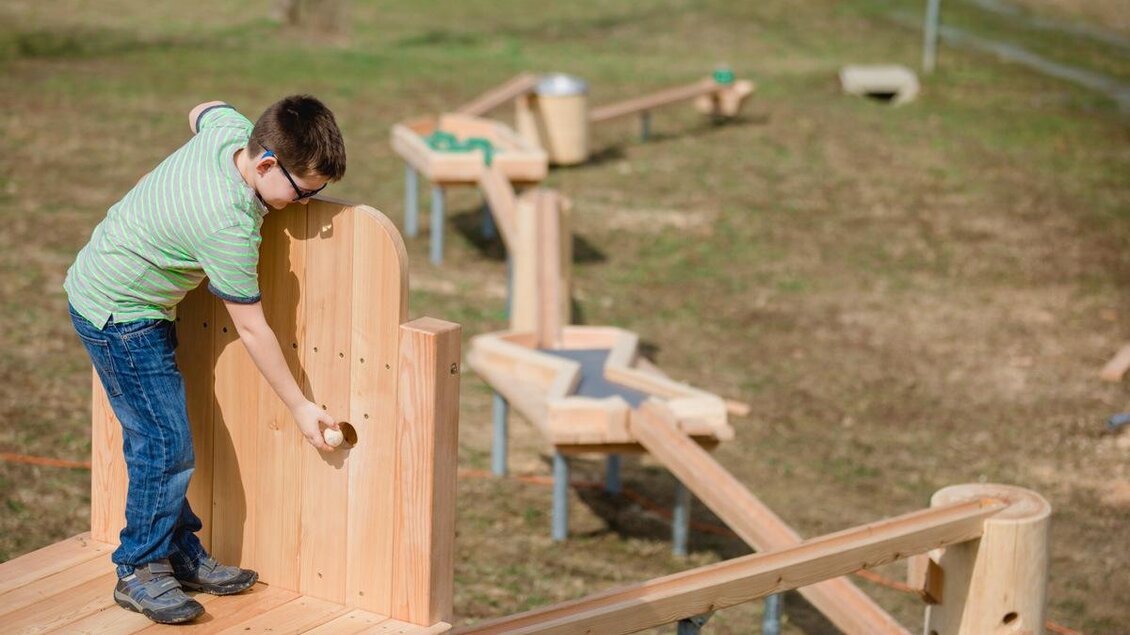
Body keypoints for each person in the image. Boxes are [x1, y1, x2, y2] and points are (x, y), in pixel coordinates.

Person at [63, 95, 347, 624]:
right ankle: (140, 568)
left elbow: (204, 108)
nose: (308, 201)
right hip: (118, 315)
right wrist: (301, 406)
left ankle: (178, 552)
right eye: (304, 191)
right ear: (266, 164)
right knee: (163, 444)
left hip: (128, 296)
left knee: (161, 438)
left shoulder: (230, 133)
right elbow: (253, 328)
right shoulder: (227, 225)